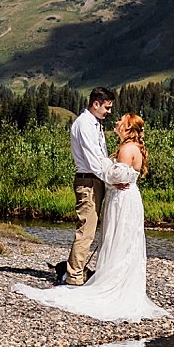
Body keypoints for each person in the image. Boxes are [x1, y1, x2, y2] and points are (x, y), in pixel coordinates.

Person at [15, 113, 169, 322]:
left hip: (121, 200)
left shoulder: (126, 149)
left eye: (120, 121)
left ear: (128, 127)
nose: (115, 122)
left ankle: (111, 283)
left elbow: (114, 177)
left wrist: (103, 169)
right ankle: (120, 280)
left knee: (118, 239)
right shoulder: (133, 148)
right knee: (123, 241)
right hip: (126, 198)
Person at [57, 88, 122, 286]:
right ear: (96, 103)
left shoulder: (95, 124)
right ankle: (74, 275)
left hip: (95, 180)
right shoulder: (84, 124)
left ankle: (76, 269)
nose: (109, 112)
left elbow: (100, 156)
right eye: (107, 107)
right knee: (86, 229)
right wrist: (113, 178)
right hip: (88, 181)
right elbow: (94, 161)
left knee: (90, 228)